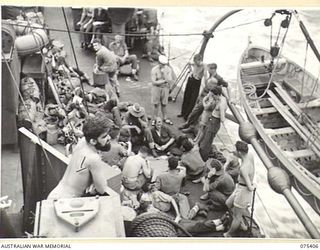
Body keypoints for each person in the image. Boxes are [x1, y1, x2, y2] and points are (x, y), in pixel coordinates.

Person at [47, 116, 117, 199]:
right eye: (104, 136)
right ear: (93, 141)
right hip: (66, 200)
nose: (109, 138)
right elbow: (101, 189)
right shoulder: (94, 158)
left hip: (56, 193)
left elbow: (85, 136)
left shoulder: (82, 142)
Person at [179, 63, 229, 135]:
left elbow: (227, 86)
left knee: (198, 113)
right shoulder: (210, 75)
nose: (207, 71)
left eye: (209, 70)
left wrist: (228, 98)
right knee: (195, 112)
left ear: (213, 69)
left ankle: (190, 126)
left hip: (209, 99)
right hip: (203, 96)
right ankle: (189, 125)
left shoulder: (219, 78)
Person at [224, 141, 256, 237]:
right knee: (228, 204)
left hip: (243, 191)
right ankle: (240, 223)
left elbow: (250, 188)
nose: (235, 152)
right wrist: (228, 150)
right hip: (240, 187)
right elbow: (237, 153)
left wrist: (253, 186)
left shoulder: (244, 168)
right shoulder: (249, 155)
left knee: (237, 216)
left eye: (236, 151)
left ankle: (229, 234)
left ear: (240, 153)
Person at [199, 86, 228, 161]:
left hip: (214, 123)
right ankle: (201, 156)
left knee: (206, 143)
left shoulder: (222, 103)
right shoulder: (221, 98)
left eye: (213, 95)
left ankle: (203, 159)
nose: (212, 97)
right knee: (204, 139)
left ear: (218, 94)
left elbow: (222, 118)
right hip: (211, 120)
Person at [178, 54, 205, 120]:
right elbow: (189, 63)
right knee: (186, 96)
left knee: (193, 99)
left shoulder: (203, 65)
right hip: (191, 79)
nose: (196, 63)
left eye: (197, 61)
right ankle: (183, 112)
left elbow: (205, 74)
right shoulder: (194, 63)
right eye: (195, 61)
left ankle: (187, 115)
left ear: (200, 60)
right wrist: (190, 69)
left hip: (197, 82)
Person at [151, 55, 174, 125]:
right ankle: (155, 118)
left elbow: (170, 80)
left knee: (164, 104)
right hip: (156, 88)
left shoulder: (168, 69)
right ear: (159, 63)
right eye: (162, 64)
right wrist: (164, 81)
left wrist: (164, 74)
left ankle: (165, 117)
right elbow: (154, 82)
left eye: (164, 64)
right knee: (156, 104)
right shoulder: (154, 70)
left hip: (165, 88)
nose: (163, 66)